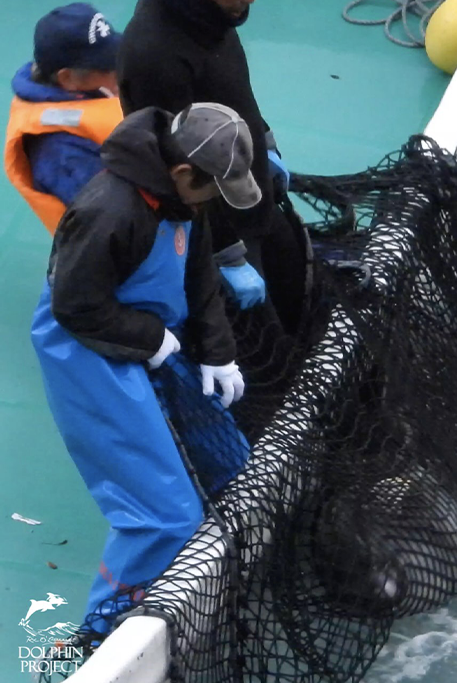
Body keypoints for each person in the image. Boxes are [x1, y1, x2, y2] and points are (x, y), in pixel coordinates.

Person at [31, 102, 257, 630]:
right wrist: (148, 338)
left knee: (232, 468)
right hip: (87, 349)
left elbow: (197, 270)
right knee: (165, 516)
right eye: (210, 190)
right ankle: (103, 634)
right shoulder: (109, 211)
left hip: (149, 336)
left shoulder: (181, 195)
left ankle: (205, 584)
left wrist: (219, 351)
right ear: (182, 173)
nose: (211, 204)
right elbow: (74, 306)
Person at [117, 0, 310, 330]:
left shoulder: (216, 17)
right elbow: (179, 169)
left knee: (293, 276)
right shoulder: (154, 56)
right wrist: (228, 255)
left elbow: (231, 91)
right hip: (215, 225)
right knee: (260, 331)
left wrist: (265, 143)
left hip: (251, 192)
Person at [4, 3, 124, 234]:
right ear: (67, 78)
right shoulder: (60, 152)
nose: (118, 73)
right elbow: (111, 223)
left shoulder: (87, 93)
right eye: (107, 68)